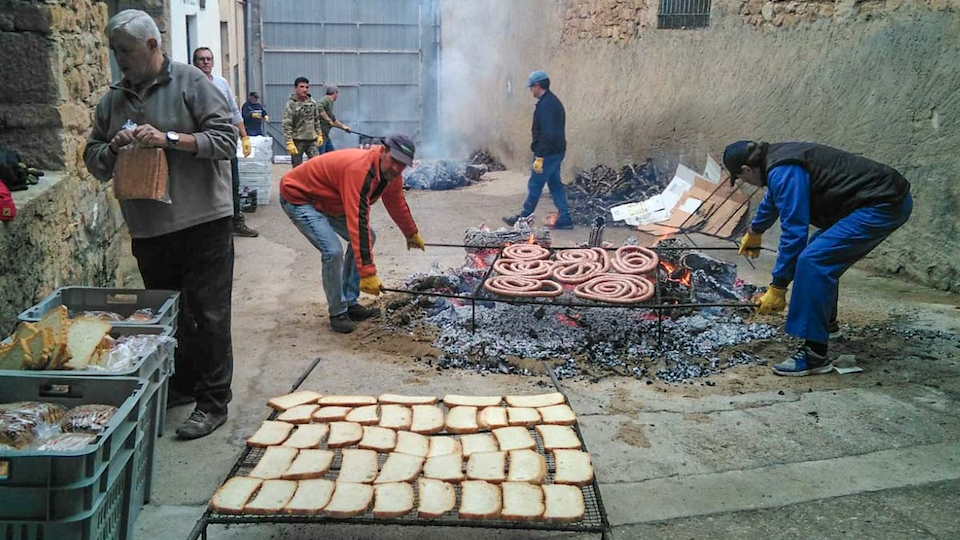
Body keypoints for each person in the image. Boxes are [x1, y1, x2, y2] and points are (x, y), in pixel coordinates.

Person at [84, 9, 238, 439]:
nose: (120, 60)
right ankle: (184, 386)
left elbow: (225, 142)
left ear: (153, 46)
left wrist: (170, 139)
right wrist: (112, 149)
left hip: (204, 221)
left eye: (126, 51)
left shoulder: (192, 82)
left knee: (207, 314)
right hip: (150, 229)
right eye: (114, 51)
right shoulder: (112, 100)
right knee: (169, 316)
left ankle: (213, 402)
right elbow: (93, 161)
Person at [724, 141, 912, 377]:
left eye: (740, 178)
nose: (744, 182)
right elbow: (773, 198)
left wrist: (778, 286)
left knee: (813, 261)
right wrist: (755, 231)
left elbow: (794, 232)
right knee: (818, 253)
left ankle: (815, 356)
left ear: (747, 169)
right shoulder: (776, 161)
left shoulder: (782, 170)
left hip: (882, 204)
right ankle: (827, 326)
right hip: (871, 201)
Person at [278, 134, 425, 334]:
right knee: (333, 251)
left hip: (329, 199)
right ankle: (338, 312)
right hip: (301, 197)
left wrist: (411, 233)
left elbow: (396, 202)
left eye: (403, 165)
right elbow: (358, 219)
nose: (397, 168)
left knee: (369, 238)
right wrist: (368, 273)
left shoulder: (391, 175)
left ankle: (349, 302)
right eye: (394, 161)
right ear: (383, 151)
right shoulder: (360, 170)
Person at [192, 47, 258, 237]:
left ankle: (237, 221)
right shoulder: (190, 85)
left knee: (232, 182)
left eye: (209, 59)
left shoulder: (221, 83)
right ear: (194, 62)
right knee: (206, 184)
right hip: (203, 141)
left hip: (225, 140)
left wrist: (244, 136)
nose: (206, 62)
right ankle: (208, 226)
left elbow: (234, 110)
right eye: (201, 59)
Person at [503, 70, 573, 230]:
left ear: (537, 85)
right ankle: (566, 218)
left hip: (547, 154)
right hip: (556, 151)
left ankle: (523, 219)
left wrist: (540, 156)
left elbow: (547, 133)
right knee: (555, 184)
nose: (530, 90)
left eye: (531, 87)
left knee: (535, 185)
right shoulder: (551, 102)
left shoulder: (547, 105)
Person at [282, 77, 323, 168]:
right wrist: (289, 142)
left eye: (306, 87)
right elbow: (287, 124)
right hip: (297, 141)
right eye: (302, 87)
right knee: (297, 168)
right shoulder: (291, 104)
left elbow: (316, 120)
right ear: (296, 88)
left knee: (317, 165)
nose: (304, 89)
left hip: (311, 140)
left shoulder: (312, 103)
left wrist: (319, 134)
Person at [317, 84, 351, 154]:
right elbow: (318, 107)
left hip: (325, 135)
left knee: (332, 154)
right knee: (321, 157)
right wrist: (328, 120)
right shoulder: (326, 99)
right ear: (335, 92)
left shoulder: (330, 103)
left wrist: (344, 127)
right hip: (320, 135)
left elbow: (333, 119)